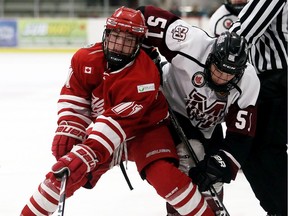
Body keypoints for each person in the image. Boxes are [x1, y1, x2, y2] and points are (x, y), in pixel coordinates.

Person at [20, 7, 215, 216]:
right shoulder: (85, 59)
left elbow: (116, 124)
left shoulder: (145, 76)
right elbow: (74, 96)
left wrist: (85, 154)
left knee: (165, 177)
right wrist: (70, 126)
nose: (119, 46)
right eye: (115, 37)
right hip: (103, 133)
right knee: (62, 175)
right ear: (106, 34)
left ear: (138, 44)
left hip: (145, 130)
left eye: (128, 40)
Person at [137, 5, 260, 216]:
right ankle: (178, 212)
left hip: (208, 126)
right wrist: (146, 54)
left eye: (229, 75)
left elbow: (241, 134)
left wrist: (222, 165)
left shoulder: (249, 81)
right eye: (218, 70)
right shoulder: (191, 43)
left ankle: (213, 210)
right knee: (187, 159)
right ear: (210, 58)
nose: (221, 78)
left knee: (213, 173)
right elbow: (145, 15)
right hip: (169, 108)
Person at [229, 1, 288, 215]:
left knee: (263, 149)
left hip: (277, 81)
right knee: (256, 151)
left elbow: (241, 33)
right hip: (269, 81)